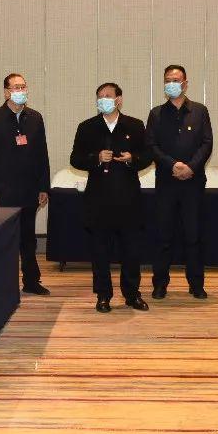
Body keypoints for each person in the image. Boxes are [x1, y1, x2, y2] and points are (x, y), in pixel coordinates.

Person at [69, 82, 153, 312]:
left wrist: (132, 158)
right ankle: (103, 295)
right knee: (100, 252)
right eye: (100, 96)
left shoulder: (135, 125)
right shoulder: (87, 127)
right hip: (98, 200)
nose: (103, 99)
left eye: (108, 95)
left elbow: (148, 155)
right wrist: (95, 158)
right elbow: (75, 159)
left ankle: (132, 294)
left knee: (131, 251)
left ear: (119, 100)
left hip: (128, 199)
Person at [0, 73, 51, 295]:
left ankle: (31, 281)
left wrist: (44, 187)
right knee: (6, 239)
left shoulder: (35, 118)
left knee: (28, 239)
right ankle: (4, 284)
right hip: (3, 192)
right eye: (16, 87)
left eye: (23, 87)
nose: (21, 91)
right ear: (6, 92)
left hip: (30, 190)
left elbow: (42, 155)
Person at [146, 64, 213, 300]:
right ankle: (160, 284)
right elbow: (151, 145)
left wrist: (191, 167)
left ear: (185, 84)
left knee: (193, 236)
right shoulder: (156, 114)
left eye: (176, 80)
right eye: (168, 80)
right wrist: (172, 165)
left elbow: (207, 143)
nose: (171, 84)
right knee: (163, 236)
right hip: (166, 182)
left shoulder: (200, 111)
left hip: (193, 183)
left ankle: (196, 284)